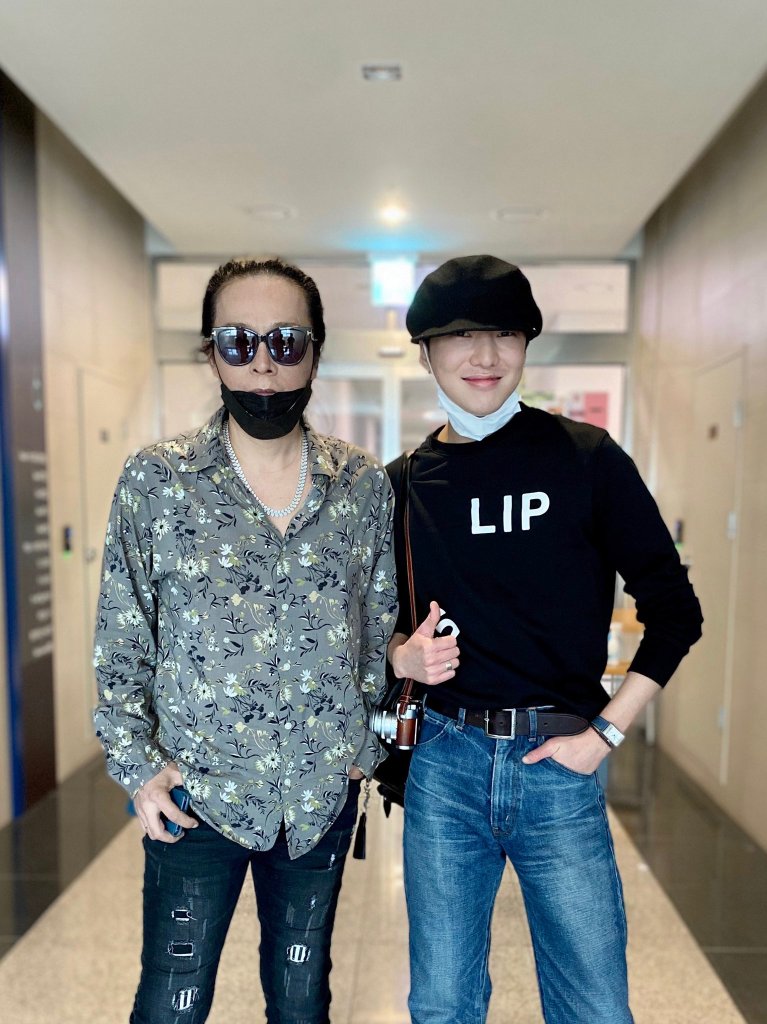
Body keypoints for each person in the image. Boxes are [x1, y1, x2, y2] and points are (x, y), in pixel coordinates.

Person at [387, 254, 703, 1024]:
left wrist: (606, 733)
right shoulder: (402, 484)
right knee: (441, 1005)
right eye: (458, 335)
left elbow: (674, 610)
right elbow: (366, 628)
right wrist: (399, 656)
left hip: (559, 763)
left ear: (527, 344)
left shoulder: (585, 459)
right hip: (444, 763)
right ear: (425, 353)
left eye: (503, 332)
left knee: (593, 1006)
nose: (483, 354)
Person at [93, 257, 398, 1024]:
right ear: (212, 354)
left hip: (317, 799)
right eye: (238, 341)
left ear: (315, 353)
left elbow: (376, 628)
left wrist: (367, 743)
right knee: (171, 1002)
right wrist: (138, 769)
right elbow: (122, 636)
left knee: (301, 1003)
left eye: (286, 341)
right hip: (195, 795)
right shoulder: (158, 481)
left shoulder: (362, 486)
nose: (263, 362)